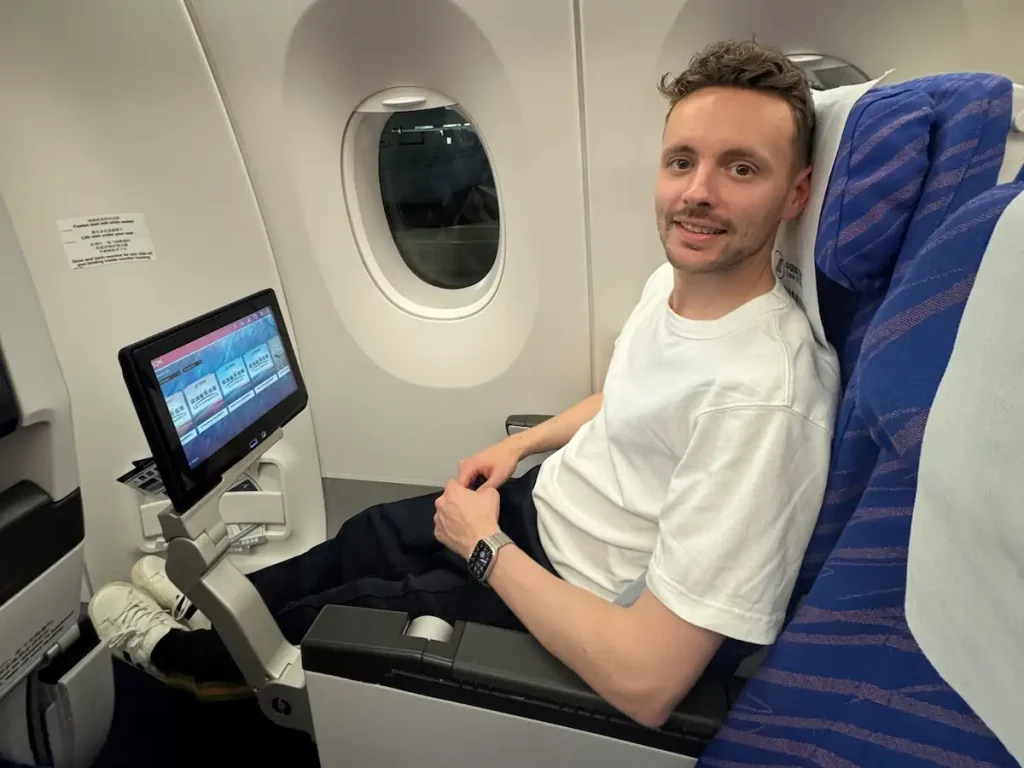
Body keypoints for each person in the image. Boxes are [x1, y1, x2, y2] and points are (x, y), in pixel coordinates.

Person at [89, 39, 839, 729]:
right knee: (370, 532)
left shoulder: (765, 396)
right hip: (541, 506)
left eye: (741, 169)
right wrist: (523, 448)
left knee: (343, 616)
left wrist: (484, 550)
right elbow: (634, 401)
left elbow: (648, 680)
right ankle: (209, 604)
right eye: (683, 161)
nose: (697, 193)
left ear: (797, 193)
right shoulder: (672, 285)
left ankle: (180, 665)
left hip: (574, 594)